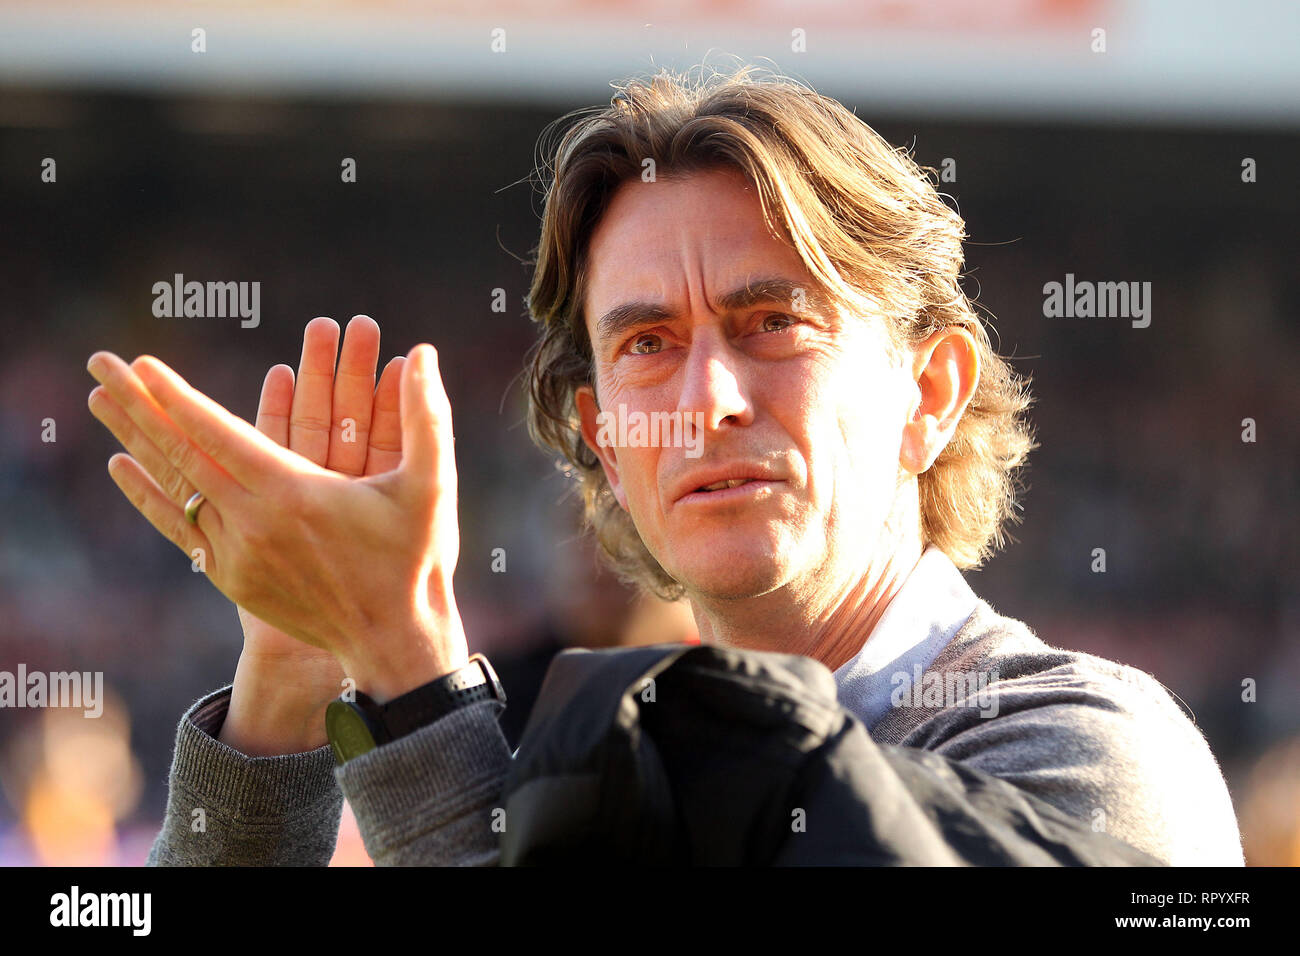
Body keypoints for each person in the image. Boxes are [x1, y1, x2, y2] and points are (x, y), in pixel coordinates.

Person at [86, 64, 1244, 866]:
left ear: (927, 396)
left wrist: (404, 652)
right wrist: (293, 682)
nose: (704, 401)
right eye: (646, 345)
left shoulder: (1085, 749)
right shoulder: (598, 759)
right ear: (601, 437)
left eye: (772, 322)